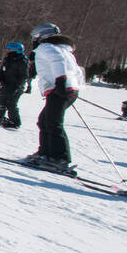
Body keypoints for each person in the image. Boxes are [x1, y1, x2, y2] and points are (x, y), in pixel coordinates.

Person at [24, 22, 83, 175]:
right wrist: (73, 87)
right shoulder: (64, 50)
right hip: (66, 89)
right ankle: (46, 153)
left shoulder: (46, 47)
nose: (34, 41)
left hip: (59, 88)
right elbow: (77, 72)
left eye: (35, 38)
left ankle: (59, 158)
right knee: (44, 120)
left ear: (40, 36)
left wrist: (61, 82)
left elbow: (57, 62)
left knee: (53, 122)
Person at [0, 42, 30, 129]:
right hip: (6, 84)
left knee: (11, 103)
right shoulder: (7, 59)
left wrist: (18, 86)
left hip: (16, 86)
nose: (6, 51)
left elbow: (24, 76)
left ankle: (15, 122)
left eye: (8, 50)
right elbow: (1, 72)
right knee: (1, 102)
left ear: (14, 50)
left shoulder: (22, 61)